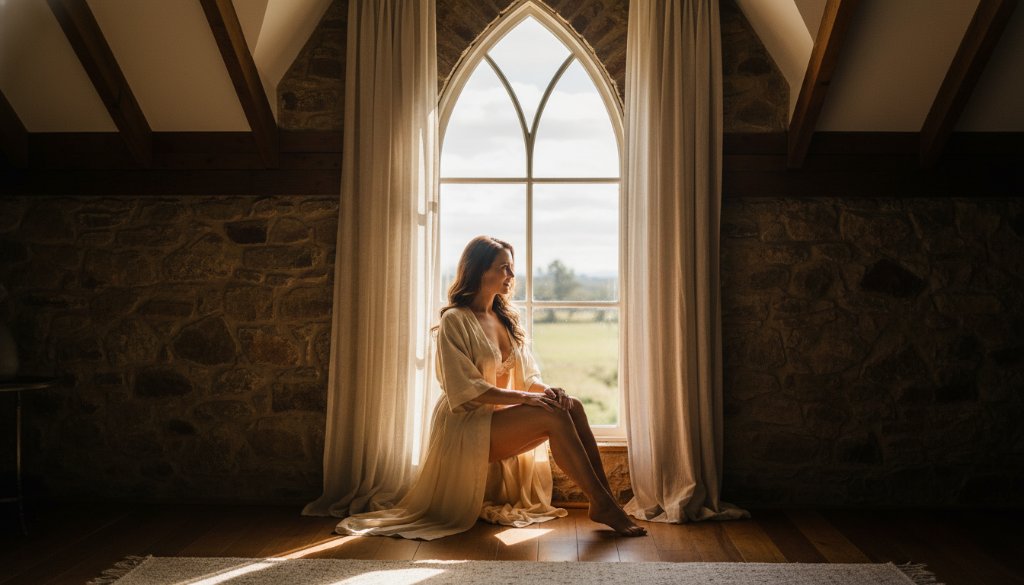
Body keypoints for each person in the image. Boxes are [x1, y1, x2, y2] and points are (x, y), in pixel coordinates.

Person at [337, 236, 646, 539]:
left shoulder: (507, 319)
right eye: (504, 267)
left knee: (571, 405)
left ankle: (603, 501)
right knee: (552, 417)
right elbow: (466, 389)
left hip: (498, 420)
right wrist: (526, 398)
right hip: (465, 426)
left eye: (511, 268)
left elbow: (529, 377)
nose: (511, 276)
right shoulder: (454, 321)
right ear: (480, 270)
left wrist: (549, 391)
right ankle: (605, 505)